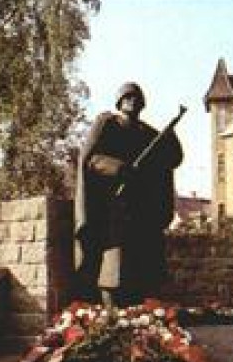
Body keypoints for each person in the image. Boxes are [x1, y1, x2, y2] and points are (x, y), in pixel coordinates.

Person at [75, 81, 183, 306]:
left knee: (144, 262)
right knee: (114, 261)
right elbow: (91, 160)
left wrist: (170, 136)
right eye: (127, 97)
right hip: (112, 205)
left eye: (136, 98)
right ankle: (111, 312)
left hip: (142, 208)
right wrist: (119, 168)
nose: (132, 101)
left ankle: (141, 317)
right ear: (119, 102)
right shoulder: (108, 125)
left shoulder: (148, 133)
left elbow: (173, 159)